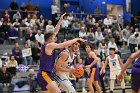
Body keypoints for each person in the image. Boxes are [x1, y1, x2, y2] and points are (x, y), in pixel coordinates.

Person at [37, 13, 84, 93]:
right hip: (44, 74)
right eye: (54, 38)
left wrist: (60, 22)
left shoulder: (45, 43)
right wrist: (76, 39)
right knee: (58, 92)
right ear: (49, 39)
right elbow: (64, 45)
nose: (55, 39)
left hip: (47, 73)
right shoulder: (49, 45)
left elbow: (55, 31)